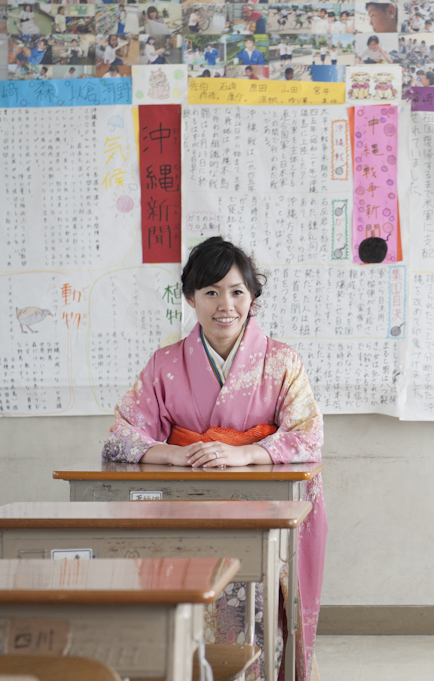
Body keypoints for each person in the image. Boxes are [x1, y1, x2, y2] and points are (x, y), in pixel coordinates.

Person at [103, 237, 326, 681]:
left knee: (263, 613)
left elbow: (308, 436)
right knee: (188, 616)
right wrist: (174, 454)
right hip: (186, 511)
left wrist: (246, 454)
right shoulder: (164, 364)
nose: (226, 305)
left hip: (264, 513)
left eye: (237, 291)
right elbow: (120, 437)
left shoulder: (282, 361)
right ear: (190, 298)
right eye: (211, 292)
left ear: (252, 297)